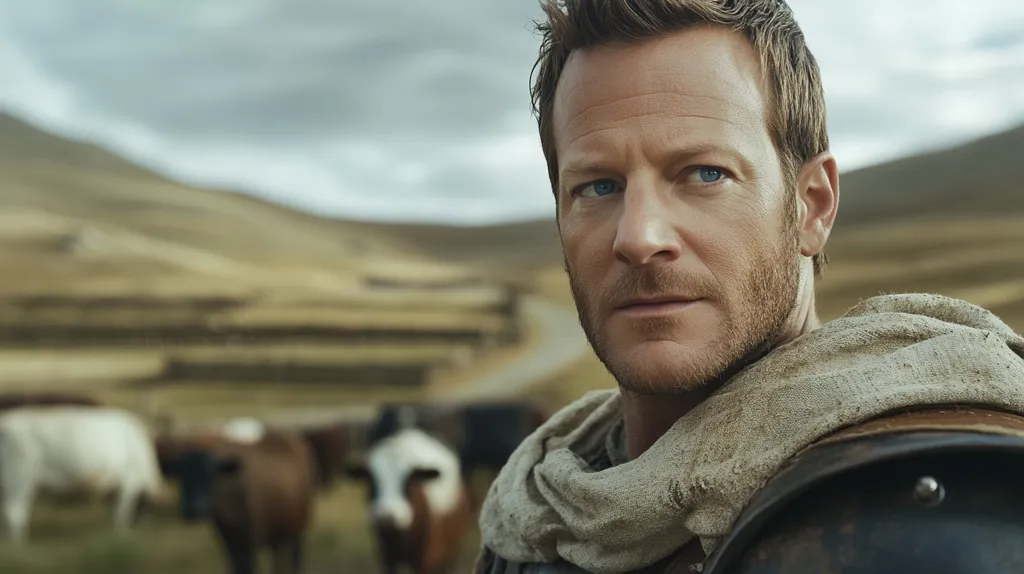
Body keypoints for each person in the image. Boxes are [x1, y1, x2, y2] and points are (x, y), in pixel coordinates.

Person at [473, 1, 1024, 573]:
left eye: (706, 174)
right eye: (598, 186)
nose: (639, 237)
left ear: (812, 206)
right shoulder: (532, 519)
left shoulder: (925, 503)